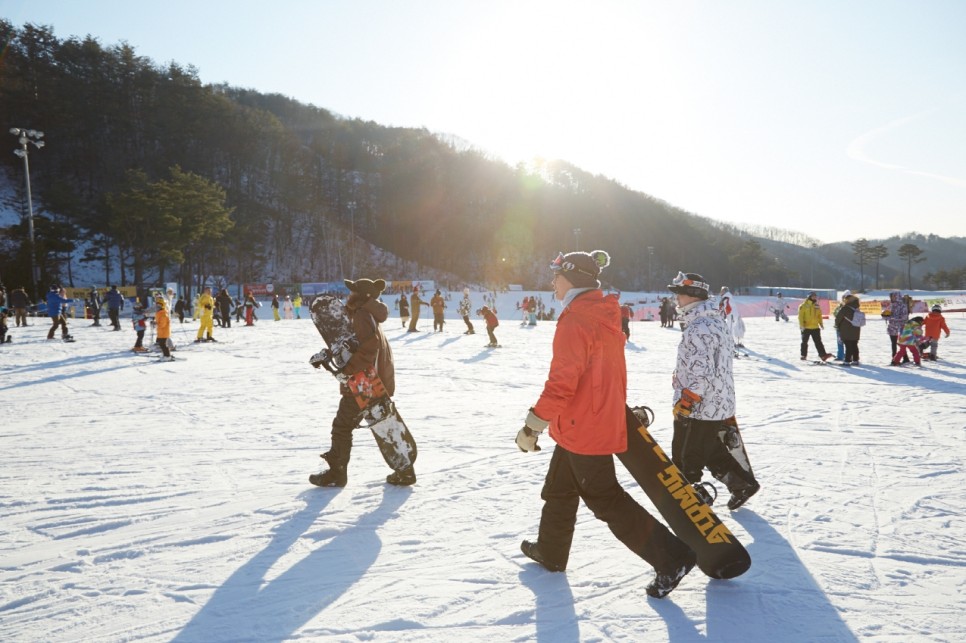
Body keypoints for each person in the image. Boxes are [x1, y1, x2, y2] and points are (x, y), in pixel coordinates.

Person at [517, 251, 696, 599]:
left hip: (585, 426)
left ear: (572, 279)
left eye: (557, 274)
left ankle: (672, 557)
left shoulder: (576, 321)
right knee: (559, 489)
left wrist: (532, 426)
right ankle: (551, 551)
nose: (552, 281)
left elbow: (561, 384)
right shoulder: (600, 312)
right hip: (586, 420)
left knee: (604, 499)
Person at [667, 271, 760, 512]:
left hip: (699, 407)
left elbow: (701, 372)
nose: (676, 299)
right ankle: (741, 484)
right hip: (717, 402)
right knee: (708, 448)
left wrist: (687, 401)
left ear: (692, 296)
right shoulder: (714, 321)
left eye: (679, 294)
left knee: (686, 457)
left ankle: (689, 503)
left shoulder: (699, 326)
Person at [309, 278, 416, 487]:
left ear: (361, 296)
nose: (349, 295)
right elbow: (355, 345)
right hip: (373, 382)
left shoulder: (361, 315)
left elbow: (369, 349)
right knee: (384, 424)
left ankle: (337, 474)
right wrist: (329, 355)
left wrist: (347, 372)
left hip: (365, 384)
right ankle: (406, 471)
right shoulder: (369, 314)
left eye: (353, 292)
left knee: (342, 426)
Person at [798, 292, 832, 362]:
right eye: (813, 296)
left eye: (815, 296)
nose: (815, 297)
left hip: (815, 327)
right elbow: (800, 317)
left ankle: (823, 355)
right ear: (809, 297)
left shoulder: (817, 305)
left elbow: (819, 315)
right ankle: (803, 355)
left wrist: (821, 324)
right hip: (806, 327)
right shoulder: (803, 305)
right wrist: (802, 326)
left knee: (818, 342)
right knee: (804, 342)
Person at [833, 292, 862, 365]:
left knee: (848, 345)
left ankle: (847, 361)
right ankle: (855, 360)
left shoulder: (845, 308)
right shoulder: (857, 308)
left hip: (846, 329)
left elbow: (838, 318)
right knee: (854, 345)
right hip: (856, 329)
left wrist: (837, 325)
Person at [883, 291, 909, 362]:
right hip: (892, 327)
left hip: (901, 327)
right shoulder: (891, 305)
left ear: (897, 297)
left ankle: (905, 358)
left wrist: (892, 319)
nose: (892, 298)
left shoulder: (903, 305)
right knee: (893, 343)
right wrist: (885, 316)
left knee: (901, 344)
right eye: (891, 296)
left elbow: (904, 317)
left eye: (893, 296)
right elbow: (888, 314)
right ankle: (894, 358)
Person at [832, 290, 853, 360]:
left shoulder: (852, 306)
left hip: (848, 327)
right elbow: (835, 313)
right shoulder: (840, 305)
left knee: (848, 342)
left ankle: (850, 356)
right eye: (844, 297)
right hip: (839, 327)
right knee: (840, 342)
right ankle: (840, 356)